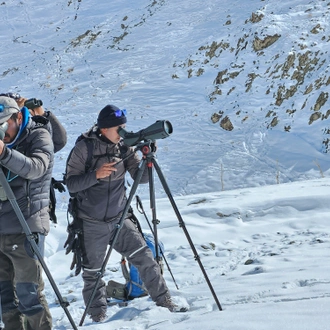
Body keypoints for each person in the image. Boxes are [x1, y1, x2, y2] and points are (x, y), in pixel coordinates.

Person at [65, 104, 186, 323]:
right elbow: (71, 184)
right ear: (104, 129)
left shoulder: (124, 147)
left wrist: (148, 158)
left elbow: (143, 179)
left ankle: (165, 301)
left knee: (146, 258)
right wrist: (96, 175)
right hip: (92, 222)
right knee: (93, 273)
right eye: (118, 127)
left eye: (124, 126)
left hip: (120, 217)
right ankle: (98, 316)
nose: (123, 131)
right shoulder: (85, 148)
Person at [0, 96, 54, 330]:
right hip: (1, 229)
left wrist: (3, 153)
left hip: (25, 225)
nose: (2, 132)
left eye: (3, 125)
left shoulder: (38, 135)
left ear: (18, 116)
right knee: (5, 298)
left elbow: (36, 169)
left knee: (29, 295)